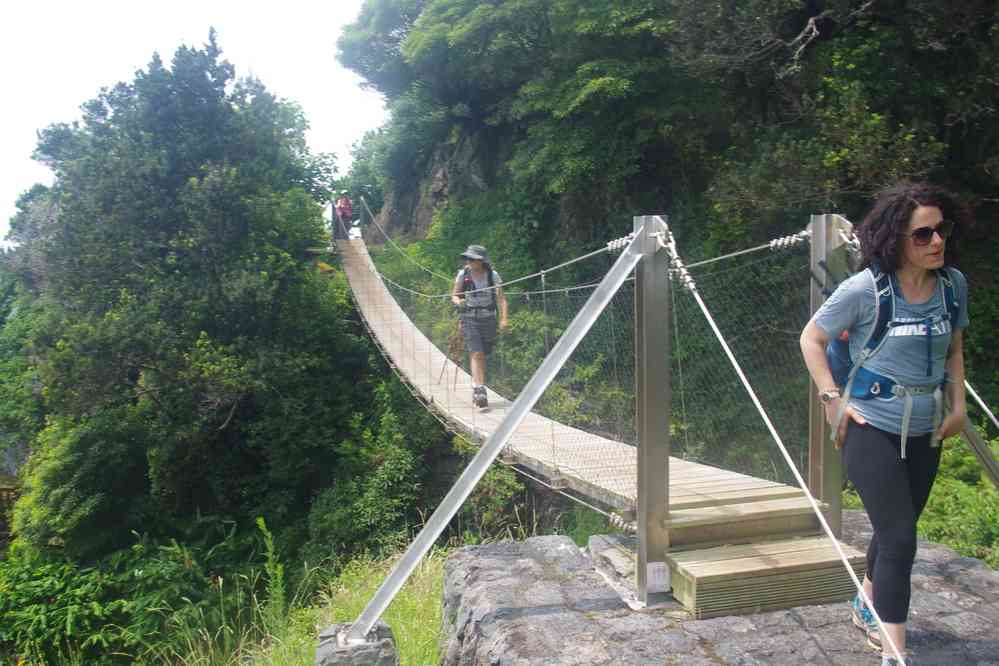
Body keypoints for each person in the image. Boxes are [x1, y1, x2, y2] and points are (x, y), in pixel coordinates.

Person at [799, 183, 969, 665]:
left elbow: (954, 350)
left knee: (897, 526)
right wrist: (831, 399)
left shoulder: (953, 286)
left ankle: (868, 603)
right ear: (895, 239)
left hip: (927, 428)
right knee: (900, 539)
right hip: (868, 425)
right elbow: (811, 339)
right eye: (923, 235)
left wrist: (957, 406)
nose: (936, 242)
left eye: (941, 230)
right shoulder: (864, 291)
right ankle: (895, 651)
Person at [451, 245, 508, 409]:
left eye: (472, 259)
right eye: (467, 259)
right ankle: (479, 389)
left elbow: (502, 299)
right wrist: (458, 301)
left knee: (483, 353)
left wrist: (504, 319)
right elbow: (454, 295)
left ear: (480, 261)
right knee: (477, 352)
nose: (468, 262)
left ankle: (478, 385)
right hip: (469, 316)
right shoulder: (463, 274)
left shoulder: (492, 275)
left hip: (489, 318)